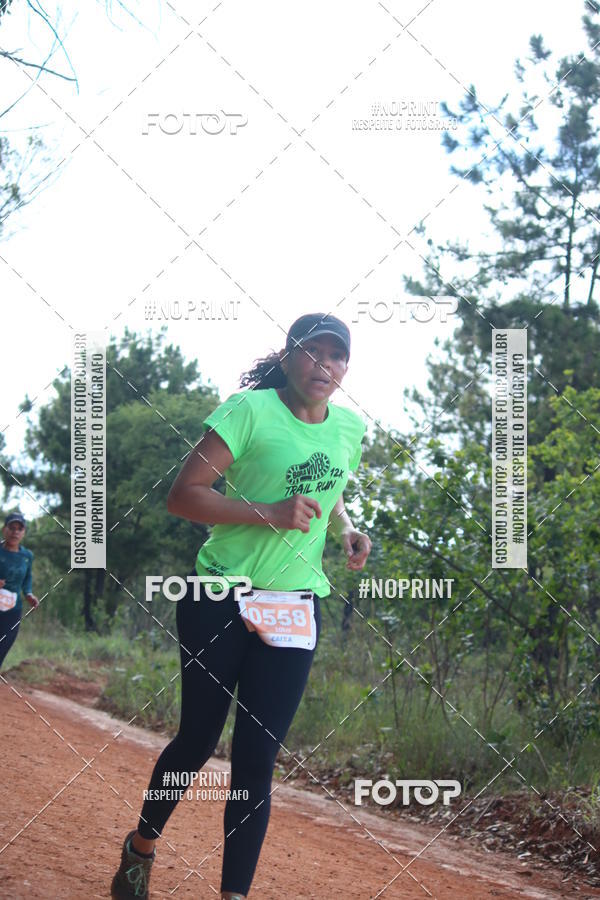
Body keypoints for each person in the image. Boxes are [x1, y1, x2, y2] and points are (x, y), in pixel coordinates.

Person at [111, 313, 372, 899]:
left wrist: (348, 530)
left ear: (345, 367)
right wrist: (271, 512)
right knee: (199, 740)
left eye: (337, 356)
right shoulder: (247, 411)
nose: (323, 365)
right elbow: (184, 497)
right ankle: (141, 848)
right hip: (220, 595)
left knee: (257, 761)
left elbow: (327, 491)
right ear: (287, 356)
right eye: (312, 352)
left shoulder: (349, 427)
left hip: (295, 604)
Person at [0, 511, 39, 669]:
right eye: (12, 527)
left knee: (3, 647)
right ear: (4, 530)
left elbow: (27, 578)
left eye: (19, 529)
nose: (15, 532)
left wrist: (28, 593)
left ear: (23, 533)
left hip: (12, 610)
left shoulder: (27, 556)